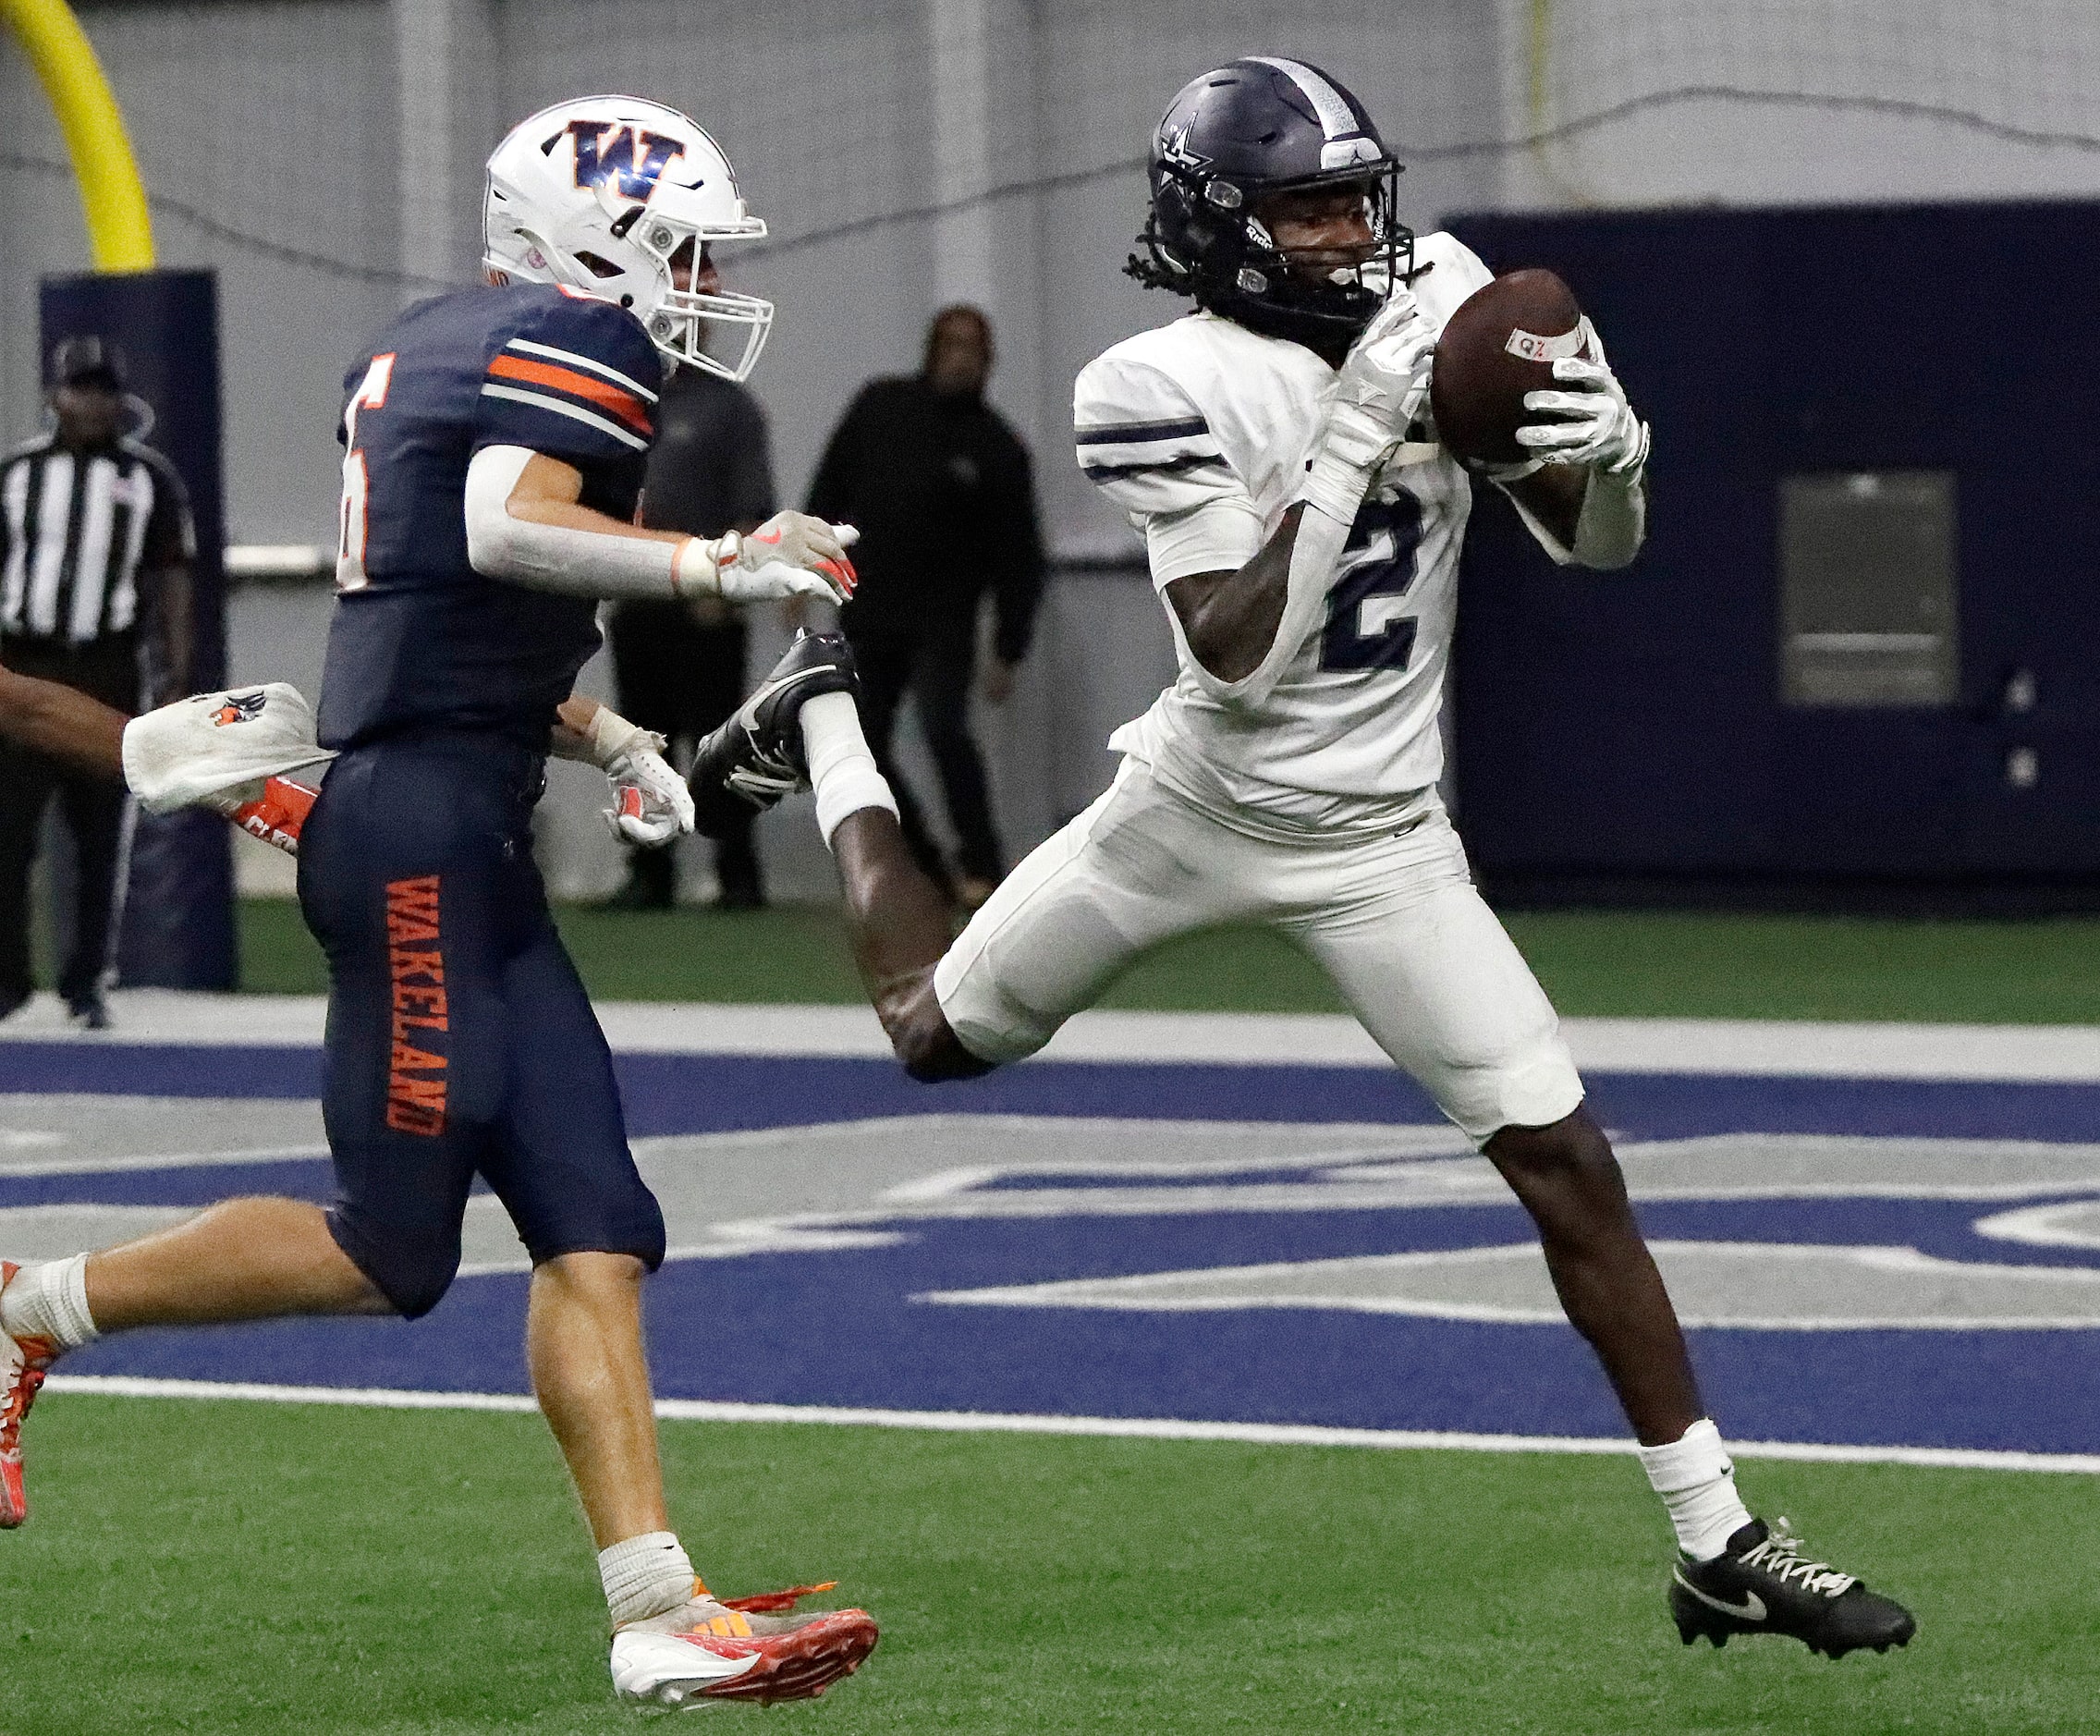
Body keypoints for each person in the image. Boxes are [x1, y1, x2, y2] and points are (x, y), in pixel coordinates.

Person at [697, 57, 1914, 1662]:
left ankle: (1717, 1540)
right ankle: (827, 720)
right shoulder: (1146, 380)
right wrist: (1350, 431)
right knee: (930, 1027)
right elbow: (1235, 659)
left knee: (1567, 1161)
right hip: (1198, 804)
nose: (1352, 232)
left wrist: (1611, 456)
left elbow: (1590, 545)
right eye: (1309, 207)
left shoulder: (1446, 299)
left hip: (1383, 838)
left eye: (1357, 197)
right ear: (1221, 226)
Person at [0, 95, 878, 1711]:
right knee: (382, 1250)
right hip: (413, 841)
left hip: (452, 824)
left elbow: (439, 611)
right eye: (675, 244)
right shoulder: (575, 344)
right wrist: (723, 562)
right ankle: (24, 1307)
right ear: (591, 238)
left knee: (599, 1227)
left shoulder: (430, 342)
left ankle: (654, 1609)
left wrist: (606, 732)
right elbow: (502, 530)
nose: (691, 277)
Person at [807, 305, 1044, 907]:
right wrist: (801, 572)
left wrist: (1008, 647)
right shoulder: (880, 407)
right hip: (869, 610)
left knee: (945, 733)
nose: (961, 358)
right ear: (932, 350)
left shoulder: (998, 448)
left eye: (973, 349)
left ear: (987, 363)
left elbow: (1020, 559)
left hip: (945, 623)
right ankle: (928, 870)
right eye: (951, 346)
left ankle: (983, 864)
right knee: (865, 745)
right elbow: (829, 490)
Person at [0, 336, 195, 1029]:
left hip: (107, 665)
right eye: (80, 389)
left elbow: (172, 577)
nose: (93, 402)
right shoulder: (16, 472)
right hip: (23, 660)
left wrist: (177, 670)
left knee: (98, 837)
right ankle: (9, 979)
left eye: (104, 390)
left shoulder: (148, 480)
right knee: (8, 833)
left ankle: (85, 983)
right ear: (55, 396)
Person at [604, 361, 778, 910]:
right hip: (639, 597)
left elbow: (754, 507)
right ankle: (649, 874)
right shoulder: (627, 398)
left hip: (706, 605)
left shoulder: (730, 407)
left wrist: (728, 588)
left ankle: (738, 877)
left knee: (722, 747)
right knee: (639, 743)